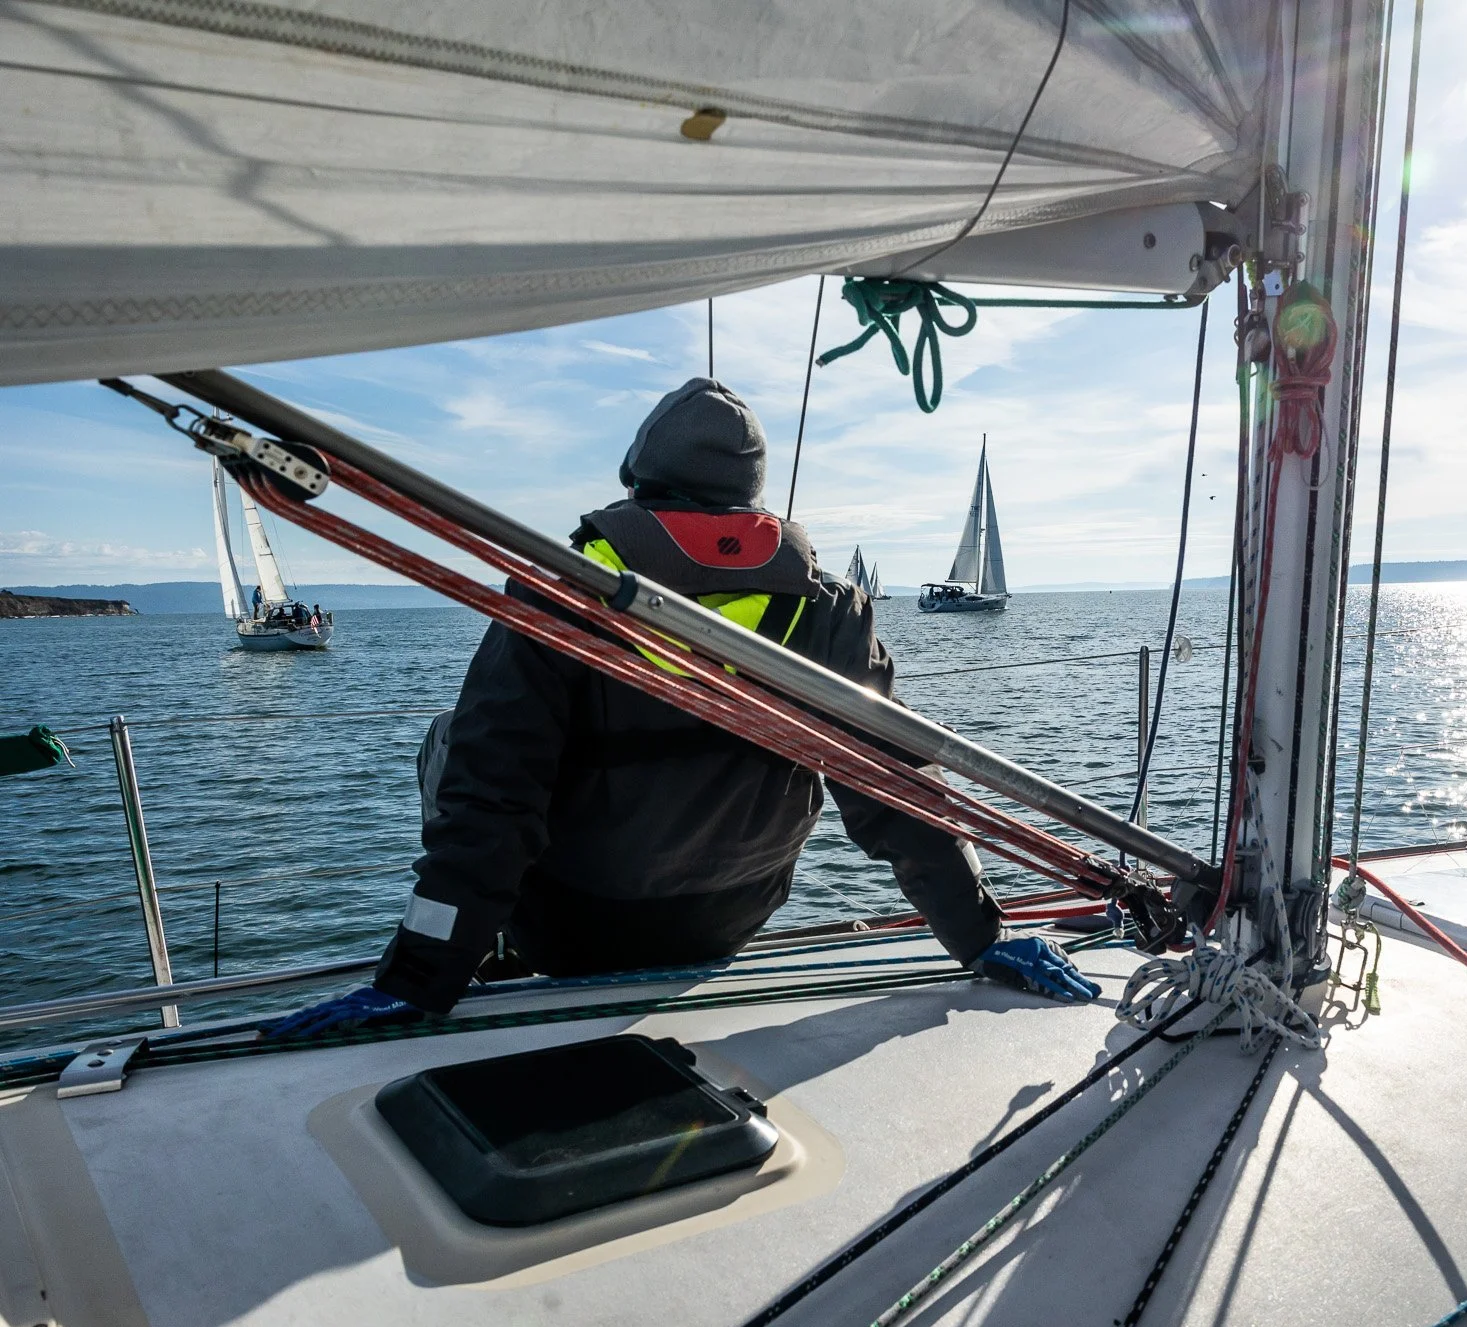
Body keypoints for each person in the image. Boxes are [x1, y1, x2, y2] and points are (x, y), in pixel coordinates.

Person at [268, 379, 1097, 1038]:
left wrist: (418, 979)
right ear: (750, 489)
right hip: (731, 913)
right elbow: (896, 783)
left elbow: (492, 796)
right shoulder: (829, 605)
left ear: (640, 475)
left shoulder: (570, 589)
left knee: (455, 743)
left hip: (569, 931)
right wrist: (981, 936)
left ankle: (472, 949)